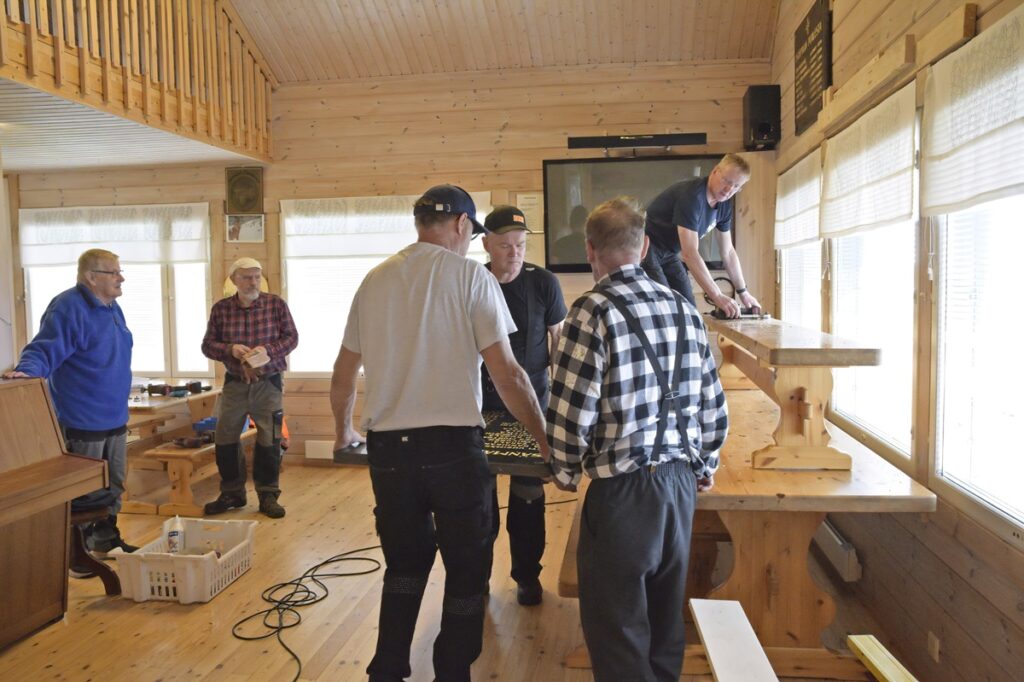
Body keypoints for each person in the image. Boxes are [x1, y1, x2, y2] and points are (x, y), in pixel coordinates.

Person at [330, 184, 550, 682]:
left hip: (388, 450)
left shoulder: (375, 279)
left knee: (404, 566)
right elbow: (508, 374)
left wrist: (343, 434)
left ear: (419, 223)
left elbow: (344, 374)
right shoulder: (472, 278)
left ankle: (387, 668)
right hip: (453, 449)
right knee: (467, 568)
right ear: (463, 226)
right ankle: (453, 669)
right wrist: (541, 439)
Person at [547, 198, 728, 682]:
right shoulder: (683, 309)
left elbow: (570, 412)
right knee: (666, 622)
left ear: (590, 250)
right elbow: (713, 402)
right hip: (680, 487)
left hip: (623, 493)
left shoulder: (590, 311)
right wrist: (705, 463)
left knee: (618, 630)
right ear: (646, 245)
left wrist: (564, 471)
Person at [2, 249, 136, 560]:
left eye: (120, 271)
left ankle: (106, 538)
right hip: (82, 417)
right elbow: (44, 349)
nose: (121, 278)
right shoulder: (68, 307)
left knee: (113, 484)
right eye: (113, 273)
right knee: (83, 493)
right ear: (91, 277)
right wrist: (27, 373)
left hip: (115, 415)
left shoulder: (112, 307)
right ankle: (78, 554)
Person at [479, 205, 567, 606]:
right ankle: (476, 580)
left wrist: (561, 402)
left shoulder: (543, 282)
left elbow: (559, 342)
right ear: (486, 244)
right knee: (478, 501)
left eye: (520, 245)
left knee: (529, 497)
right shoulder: (472, 282)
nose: (514, 253)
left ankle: (527, 576)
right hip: (479, 404)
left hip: (532, 402)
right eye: (504, 245)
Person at [201, 257, 298, 519]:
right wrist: (230, 350)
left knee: (270, 438)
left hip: (269, 382)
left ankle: (268, 494)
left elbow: (291, 338)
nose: (252, 282)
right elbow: (208, 345)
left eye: (256, 276)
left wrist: (266, 351)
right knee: (225, 437)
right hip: (235, 383)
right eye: (246, 277)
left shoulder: (276, 304)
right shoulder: (221, 309)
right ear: (234, 280)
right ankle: (232, 492)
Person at [641, 153, 762, 317]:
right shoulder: (692, 196)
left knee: (689, 311)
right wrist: (717, 295)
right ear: (714, 172)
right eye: (726, 181)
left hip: (669, 253)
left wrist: (743, 292)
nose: (729, 190)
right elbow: (690, 253)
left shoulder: (724, 206)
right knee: (666, 309)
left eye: (736, 186)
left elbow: (728, 252)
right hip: (646, 248)